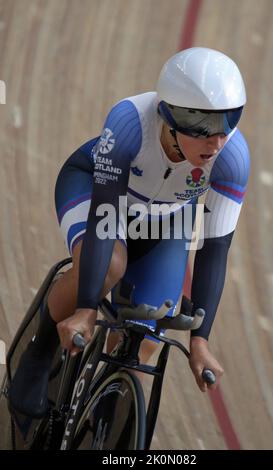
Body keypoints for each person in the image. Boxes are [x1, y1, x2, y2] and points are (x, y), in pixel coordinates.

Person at [9, 47, 250, 418]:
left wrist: (200, 340)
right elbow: (105, 216)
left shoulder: (233, 158)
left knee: (150, 333)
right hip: (98, 190)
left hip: (167, 218)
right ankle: (38, 350)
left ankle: (99, 419)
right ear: (170, 115)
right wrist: (87, 307)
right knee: (110, 267)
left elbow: (214, 249)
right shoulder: (129, 123)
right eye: (202, 127)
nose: (216, 141)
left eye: (228, 122)